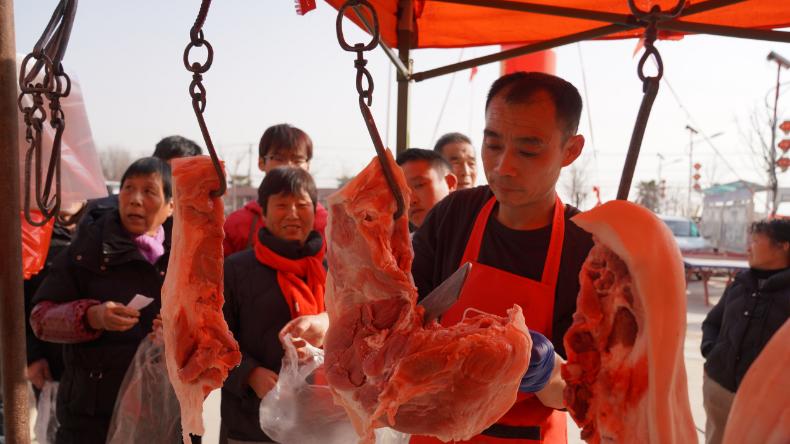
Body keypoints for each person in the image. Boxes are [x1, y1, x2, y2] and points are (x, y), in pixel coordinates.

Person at [410, 72, 592, 443]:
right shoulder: (454, 214)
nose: (503, 166)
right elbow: (407, 315)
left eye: (528, 150)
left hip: (529, 434)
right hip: (437, 429)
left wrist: (548, 371)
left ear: (570, 150)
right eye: (493, 146)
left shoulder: (587, 248)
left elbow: (593, 389)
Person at [30, 157, 174, 444]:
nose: (134, 200)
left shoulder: (184, 258)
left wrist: (177, 334)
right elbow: (41, 318)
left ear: (171, 206)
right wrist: (91, 316)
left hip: (162, 413)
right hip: (90, 414)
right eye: (128, 189)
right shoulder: (86, 249)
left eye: (149, 192)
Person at [221, 167, 326, 444]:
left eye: (302, 205)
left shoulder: (333, 271)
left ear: (314, 212)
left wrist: (327, 321)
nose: (293, 213)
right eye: (281, 205)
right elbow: (215, 342)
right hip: (252, 424)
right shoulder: (235, 269)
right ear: (263, 214)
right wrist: (249, 374)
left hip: (323, 424)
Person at [700, 219, 790, 444]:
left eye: (756, 241)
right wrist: (713, 352)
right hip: (720, 390)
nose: (748, 247)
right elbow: (712, 323)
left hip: (767, 404)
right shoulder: (740, 284)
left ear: (784, 245)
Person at [223, 124, 328, 257]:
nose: (288, 166)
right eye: (279, 158)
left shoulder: (328, 224)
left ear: (308, 165)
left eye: (297, 160)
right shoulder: (237, 224)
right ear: (261, 162)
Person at [24, 202, 86, 399]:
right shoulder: (33, 231)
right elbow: (20, 305)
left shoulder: (102, 227)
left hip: (91, 364)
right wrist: (32, 357)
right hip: (48, 363)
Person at [79, 135, 202, 229]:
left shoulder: (196, 223)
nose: (136, 201)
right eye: (169, 171)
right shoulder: (100, 214)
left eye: (183, 176)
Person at [396, 148, 457, 231]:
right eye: (402, 192)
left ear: (449, 183)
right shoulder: (407, 243)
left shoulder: (473, 229)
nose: (411, 201)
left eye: (419, 185)